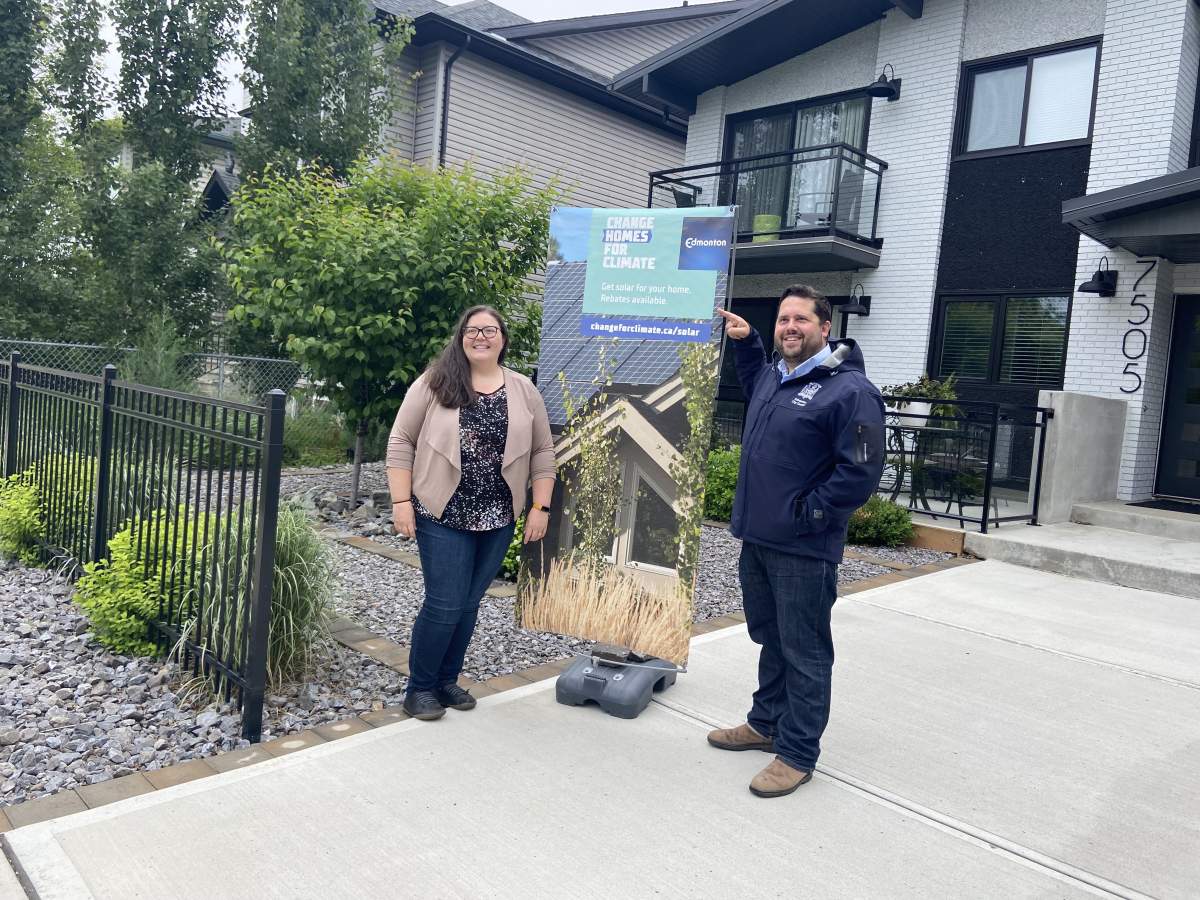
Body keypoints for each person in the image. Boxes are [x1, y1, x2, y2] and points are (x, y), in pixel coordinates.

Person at [711, 285, 884, 798]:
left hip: (803, 546)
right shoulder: (777, 377)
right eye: (784, 318)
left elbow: (861, 469)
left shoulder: (851, 392)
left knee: (805, 651)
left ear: (824, 328)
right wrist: (746, 342)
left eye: (801, 320)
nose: (790, 327)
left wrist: (809, 513)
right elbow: (752, 381)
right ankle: (765, 723)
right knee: (772, 638)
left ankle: (798, 752)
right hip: (759, 538)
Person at [386, 306, 556, 721]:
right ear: (461, 336)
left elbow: (542, 451)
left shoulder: (522, 388)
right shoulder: (434, 382)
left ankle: (446, 681)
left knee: (469, 603)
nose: (481, 336)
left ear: (503, 338)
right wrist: (401, 501)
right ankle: (419, 689)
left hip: (498, 517)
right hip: (442, 514)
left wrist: (540, 506)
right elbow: (401, 440)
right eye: (472, 330)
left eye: (490, 330)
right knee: (444, 604)